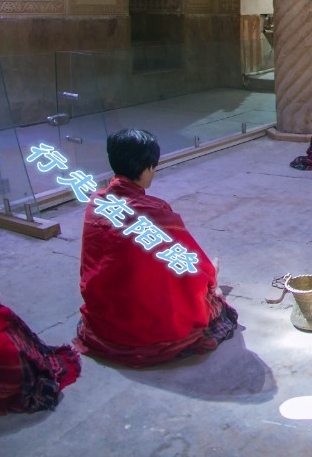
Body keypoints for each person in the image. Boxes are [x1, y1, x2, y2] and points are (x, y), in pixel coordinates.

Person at [73, 129, 238, 367]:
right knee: (207, 285)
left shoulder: (96, 203)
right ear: (149, 167)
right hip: (149, 328)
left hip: (105, 320)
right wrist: (211, 278)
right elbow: (189, 264)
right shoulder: (155, 212)